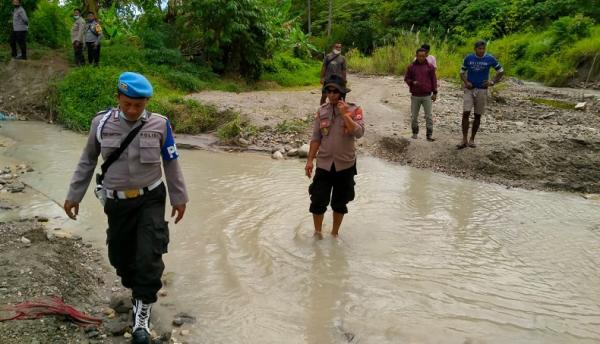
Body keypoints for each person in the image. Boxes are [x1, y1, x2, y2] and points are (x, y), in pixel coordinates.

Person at [63, 72, 188, 344]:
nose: (132, 110)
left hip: (151, 198)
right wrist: (74, 195)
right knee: (119, 256)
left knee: (149, 253)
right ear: (118, 98)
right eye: (127, 104)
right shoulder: (101, 124)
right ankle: (136, 287)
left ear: (146, 102)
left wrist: (180, 197)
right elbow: (87, 161)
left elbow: (171, 162)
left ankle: (141, 316)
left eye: (138, 105)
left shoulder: (161, 125)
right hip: (116, 201)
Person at [305, 75, 365, 237]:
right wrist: (310, 160)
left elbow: (359, 133)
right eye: (328, 91)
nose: (331, 95)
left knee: (339, 203)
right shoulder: (321, 111)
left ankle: (334, 234)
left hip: (345, 165)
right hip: (324, 164)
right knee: (317, 201)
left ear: (342, 93)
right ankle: (317, 234)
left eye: (335, 91)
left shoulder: (354, 110)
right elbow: (316, 138)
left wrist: (345, 115)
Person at [458, 40, 504, 149]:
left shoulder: (490, 58)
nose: (481, 51)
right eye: (479, 49)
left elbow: (501, 71)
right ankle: (464, 139)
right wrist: (466, 82)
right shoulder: (468, 58)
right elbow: (461, 72)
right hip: (470, 89)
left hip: (482, 90)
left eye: (483, 49)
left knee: (478, 115)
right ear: (475, 49)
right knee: (466, 112)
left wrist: (492, 82)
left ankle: (472, 139)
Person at [405, 47, 438, 141]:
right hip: (415, 95)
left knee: (429, 116)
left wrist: (435, 92)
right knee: (414, 116)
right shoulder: (411, 67)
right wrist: (412, 82)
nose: (421, 58)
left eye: (423, 56)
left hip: (427, 95)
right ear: (416, 56)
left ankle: (429, 135)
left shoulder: (430, 67)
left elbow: (434, 80)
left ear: (426, 56)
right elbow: (406, 78)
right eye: (419, 56)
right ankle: (415, 133)